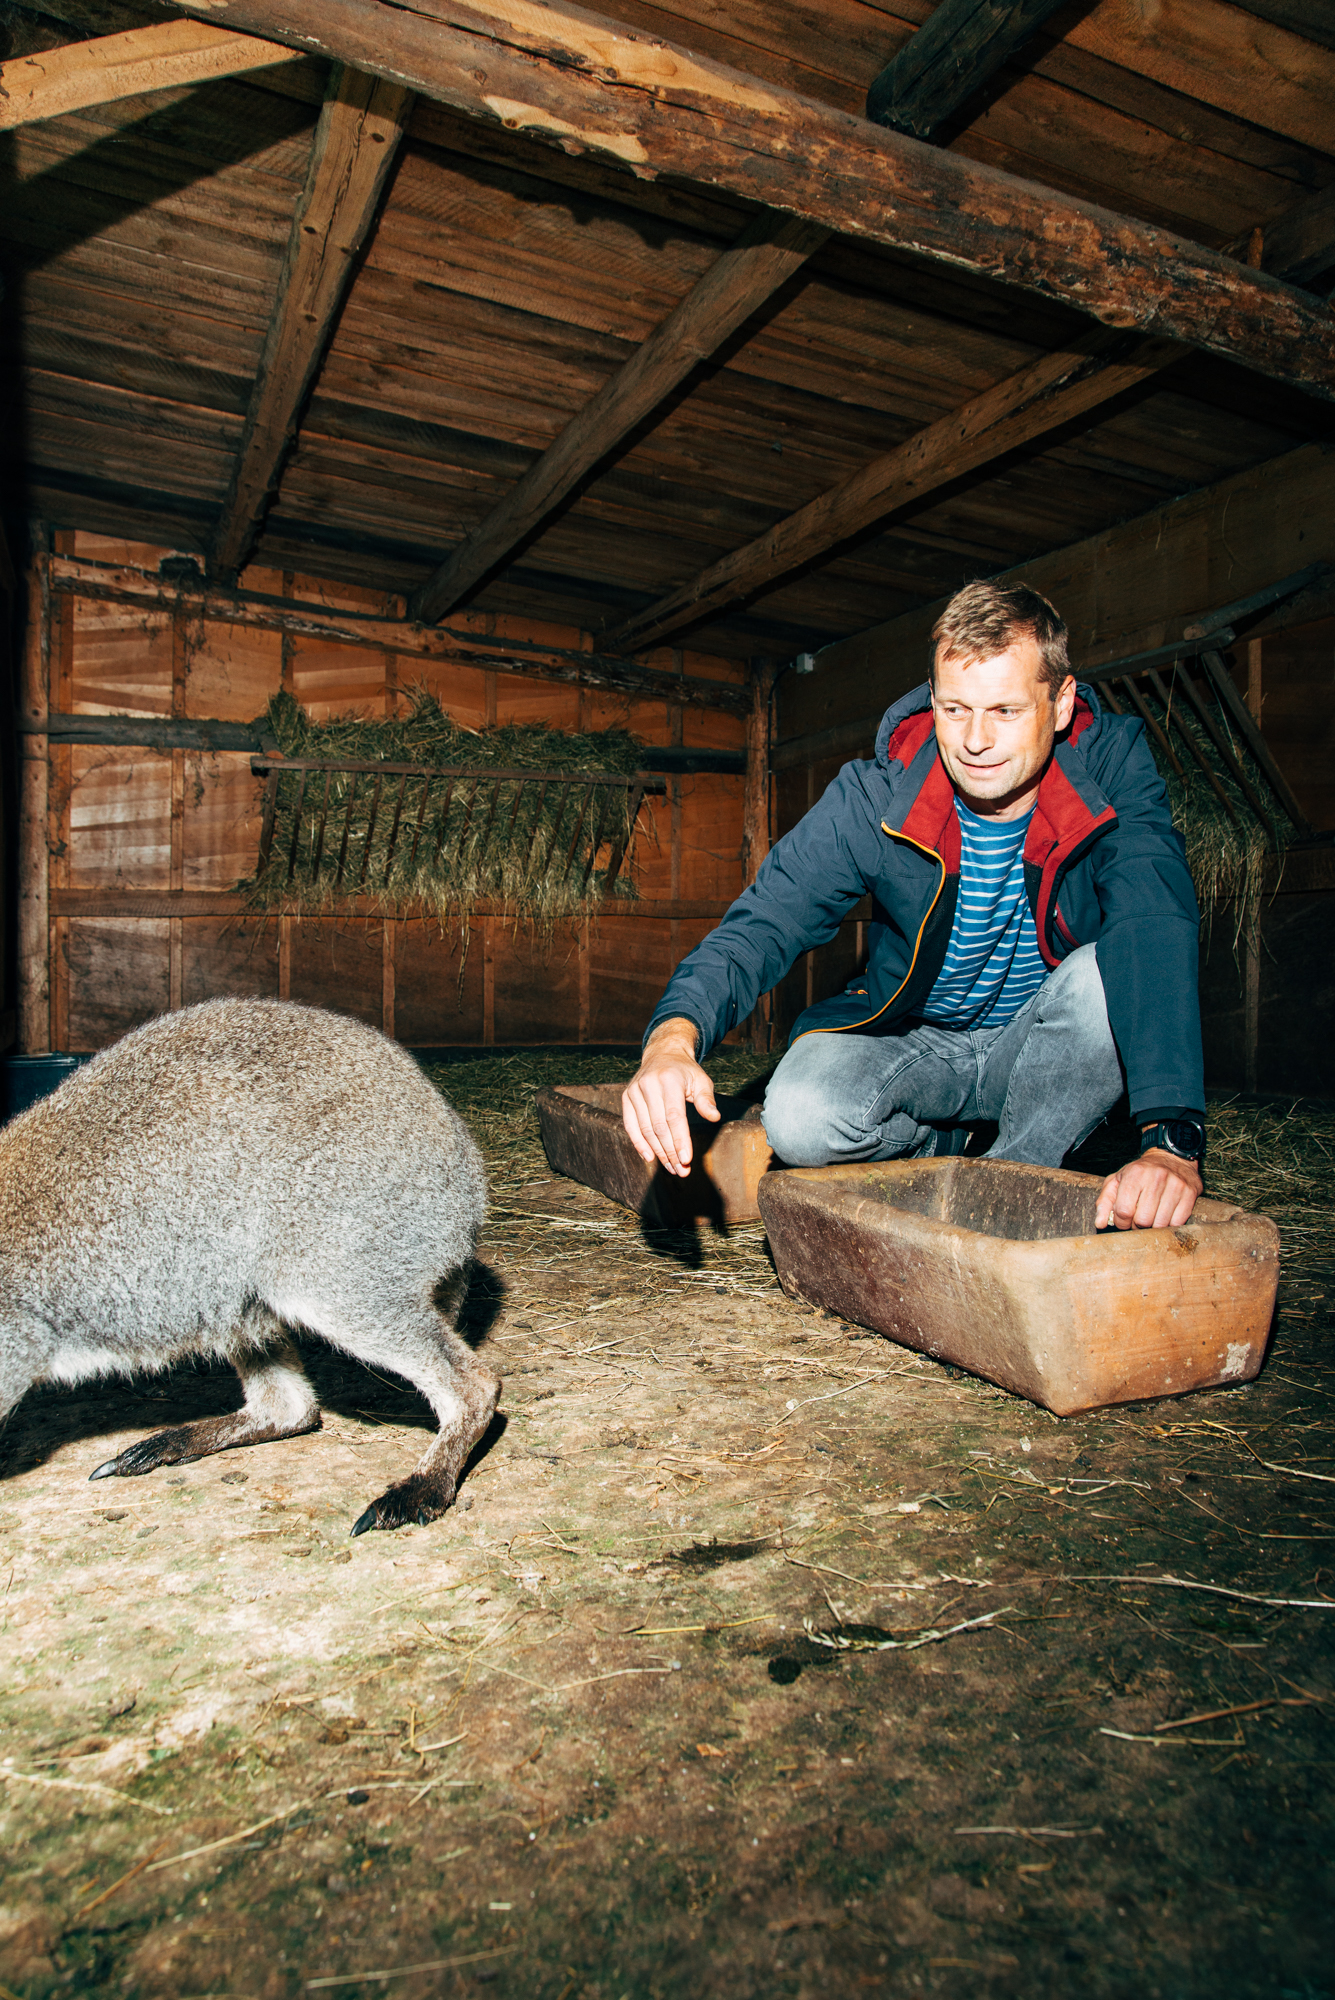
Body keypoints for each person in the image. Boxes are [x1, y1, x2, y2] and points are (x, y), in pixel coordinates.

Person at [621, 580, 1206, 1230]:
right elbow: (762, 923)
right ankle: (942, 1150)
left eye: (1005, 711)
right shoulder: (877, 795)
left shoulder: (1111, 767)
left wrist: (1168, 1137)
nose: (975, 740)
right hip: (917, 1043)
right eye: (955, 709)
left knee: (1103, 981)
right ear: (932, 701)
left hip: (1040, 1047)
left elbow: (1149, 914)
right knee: (800, 1116)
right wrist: (672, 1044)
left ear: (1061, 703)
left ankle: (1009, 1188)